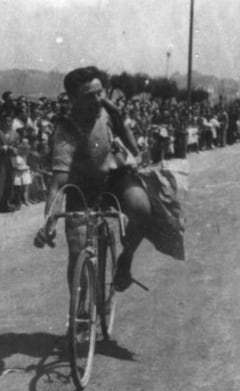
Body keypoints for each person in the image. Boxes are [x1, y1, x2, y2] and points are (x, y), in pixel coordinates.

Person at [34, 66, 185, 292]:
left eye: (100, 93)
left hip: (115, 179)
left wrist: (120, 121)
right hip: (82, 190)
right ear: (73, 99)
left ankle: (126, 259)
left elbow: (130, 141)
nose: (97, 100)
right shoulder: (66, 130)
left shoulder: (106, 110)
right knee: (77, 253)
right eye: (89, 96)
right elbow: (57, 183)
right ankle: (79, 311)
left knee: (142, 209)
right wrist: (49, 222)